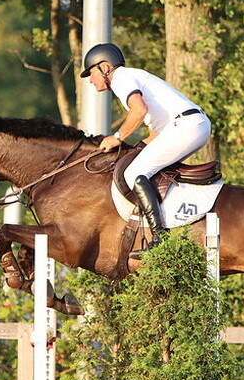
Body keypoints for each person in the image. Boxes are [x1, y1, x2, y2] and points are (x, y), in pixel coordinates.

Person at [80, 42, 212, 259]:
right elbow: (154, 133)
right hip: (190, 125)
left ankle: (160, 238)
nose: (90, 80)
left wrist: (116, 138)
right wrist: (133, 148)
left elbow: (139, 111)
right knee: (143, 168)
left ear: (105, 67)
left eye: (91, 72)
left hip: (187, 127)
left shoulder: (120, 78)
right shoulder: (132, 77)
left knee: (134, 173)